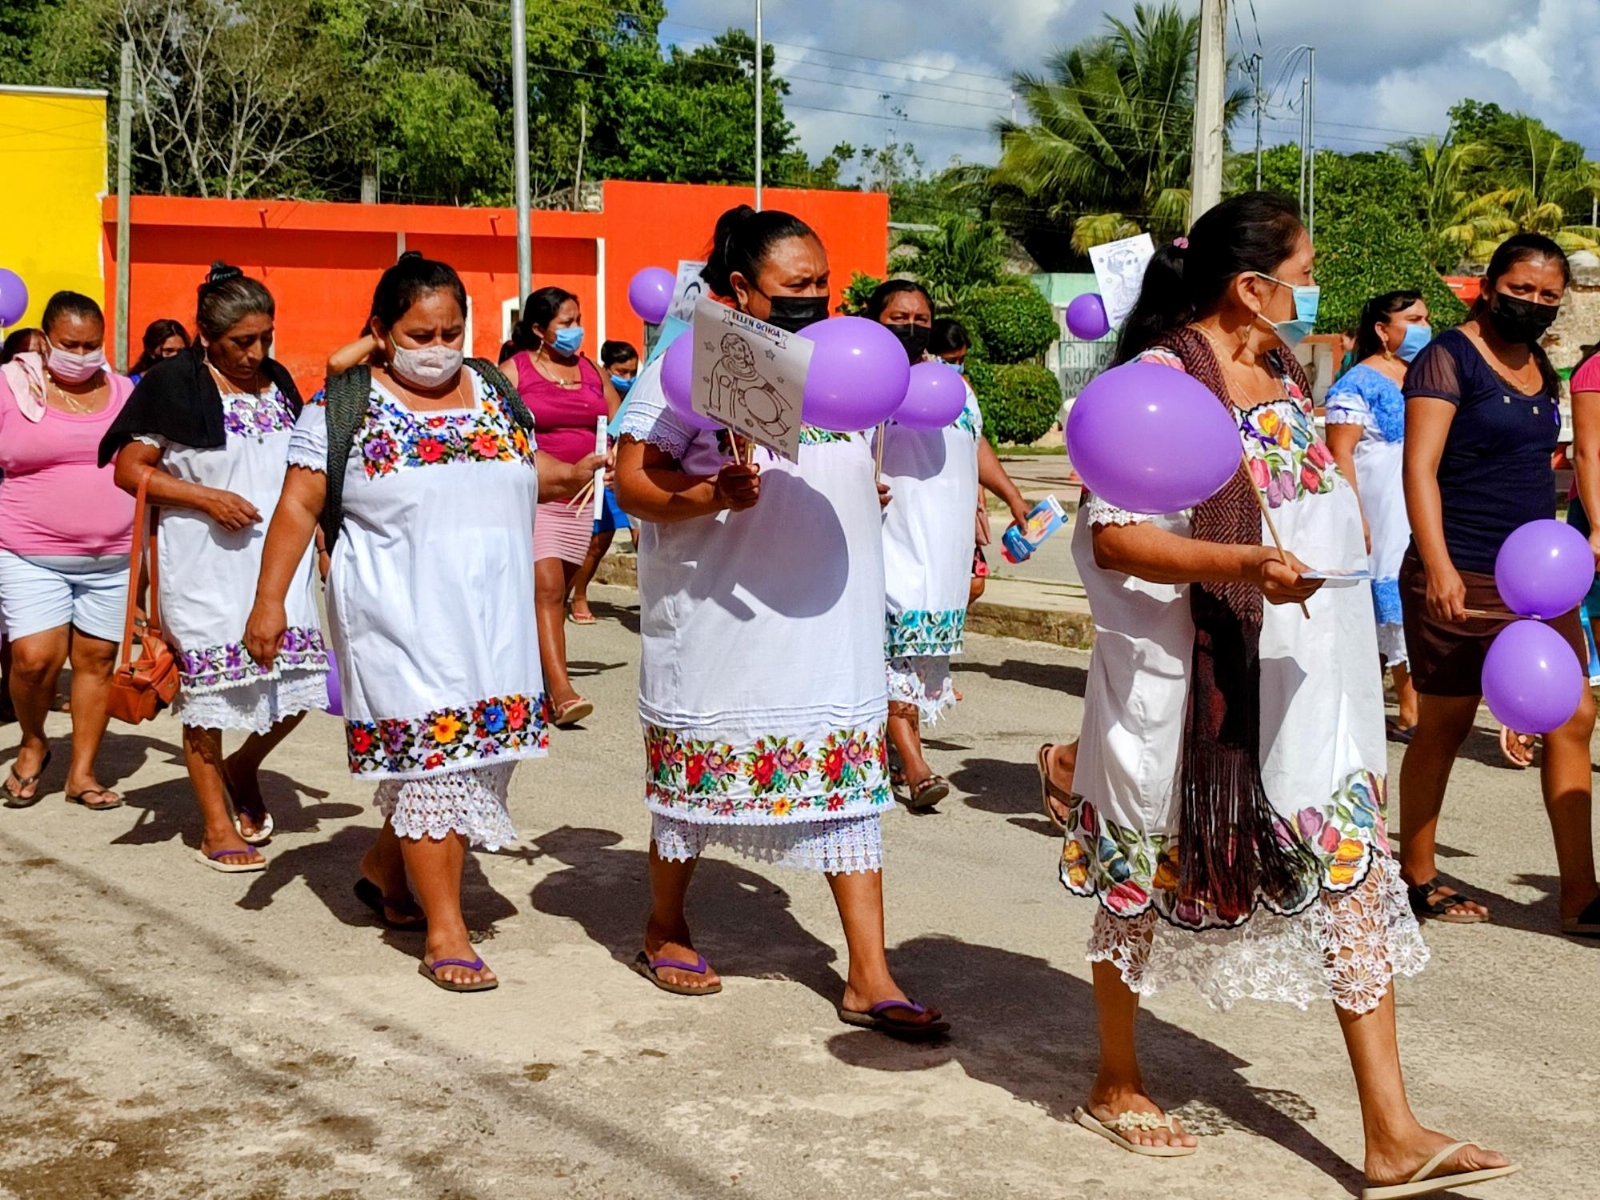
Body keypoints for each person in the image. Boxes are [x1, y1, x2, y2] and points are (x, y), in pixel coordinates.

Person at [1041, 194, 1516, 1196]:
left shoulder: (1284, 370)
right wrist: (1242, 562)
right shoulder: (1155, 384)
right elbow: (1116, 535)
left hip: (1312, 680)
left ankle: (1388, 1131)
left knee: (1351, 882)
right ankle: (1115, 1080)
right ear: (1252, 285)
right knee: (1141, 880)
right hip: (1190, 690)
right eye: (1304, 270)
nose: (1314, 290)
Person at [613, 205, 945, 1039]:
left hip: (832, 619)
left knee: (850, 799)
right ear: (739, 289)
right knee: (692, 790)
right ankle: (665, 926)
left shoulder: (843, 359)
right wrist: (709, 493)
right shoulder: (693, 362)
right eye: (798, 286)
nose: (817, 299)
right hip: (727, 614)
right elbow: (633, 484)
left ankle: (869, 975)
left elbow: (851, 452)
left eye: (825, 284)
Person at [244, 253, 600, 991]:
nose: (438, 346)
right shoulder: (342, 407)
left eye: (452, 329)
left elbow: (517, 475)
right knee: (434, 759)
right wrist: (270, 602)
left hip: (492, 618)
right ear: (380, 330)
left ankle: (384, 868)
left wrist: (582, 472)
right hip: (395, 616)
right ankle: (447, 929)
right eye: (419, 331)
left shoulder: (496, 392)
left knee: (475, 762)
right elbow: (299, 506)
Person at [1400, 234, 1600, 934]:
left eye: (1548, 297)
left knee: (1574, 714)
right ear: (1488, 286)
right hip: (1460, 566)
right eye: (1521, 290)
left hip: (1536, 579)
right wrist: (1440, 567)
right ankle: (1418, 876)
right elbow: (1420, 468)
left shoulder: (1541, 363)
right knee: (1446, 724)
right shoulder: (1447, 358)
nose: (1534, 305)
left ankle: (1581, 892)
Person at [101, 264, 327, 872]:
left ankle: (243, 767)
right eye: (241, 342)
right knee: (209, 697)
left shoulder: (278, 383)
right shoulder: (171, 384)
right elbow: (129, 470)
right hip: (203, 566)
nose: (257, 353)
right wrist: (206, 498)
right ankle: (216, 826)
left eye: (265, 338)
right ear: (206, 335)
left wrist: (322, 537)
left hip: (280, 565)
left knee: (302, 684)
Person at [868, 283, 1030, 809]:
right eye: (899, 315)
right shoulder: (865, 380)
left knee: (917, 654)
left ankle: (887, 748)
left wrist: (1008, 494)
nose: (912, 325)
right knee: (894, 651)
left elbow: (973, 441)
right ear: (876, 320)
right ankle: (914, 766)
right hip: (892, 538)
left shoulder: (954, 386)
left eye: (921, 316)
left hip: (945, 549)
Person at [0, 293, 135, 808]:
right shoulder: (13, 389)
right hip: (27, 548)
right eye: (69, 345)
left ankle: (82, 773)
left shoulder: (124, 392)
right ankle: (34, 741)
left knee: (97, 659)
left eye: (92, 345)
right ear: (46, 340)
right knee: (34, 659)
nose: (81, 354)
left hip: (112, 556)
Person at [502, 288, 622, 726]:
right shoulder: (514, 372)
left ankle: (534, 679)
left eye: (578, 320)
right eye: (566, 323)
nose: (576, 331)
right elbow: (497, 434)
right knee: (548, 591)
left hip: (584, 503)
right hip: (540, 498)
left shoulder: (590, 370)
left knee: (554, 596)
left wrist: (612, 458)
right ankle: (562, 691)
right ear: (538, 329)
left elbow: (619, 421)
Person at [1324, 291, 1430, 742]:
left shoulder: (1430, 373)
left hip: (1424, 495)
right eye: (1413, 319)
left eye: (1426, 317)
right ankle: (1409, 710)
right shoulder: (1357, 384)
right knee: (1392, 599)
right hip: (1382, 501)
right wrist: (1355, 513)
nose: (1425, 326)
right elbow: (1341, 452)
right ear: (1383, 330)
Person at [567, 340, 640, 626]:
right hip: (596, 469)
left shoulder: (638, 391)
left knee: (629, 539)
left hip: (626, 470)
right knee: (596, 540)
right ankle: (577, 594)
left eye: (633, 371)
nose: (628, 377)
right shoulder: (595, 390)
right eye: (622, 371)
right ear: (607, 369)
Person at [929, 319, 994, 609]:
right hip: (933, 499)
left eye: (961, 360)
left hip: (963, 499)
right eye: (950, 360)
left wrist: (980, 486)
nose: (957, 366)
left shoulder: (966, 390)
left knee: (973, 582)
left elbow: (973, 440)